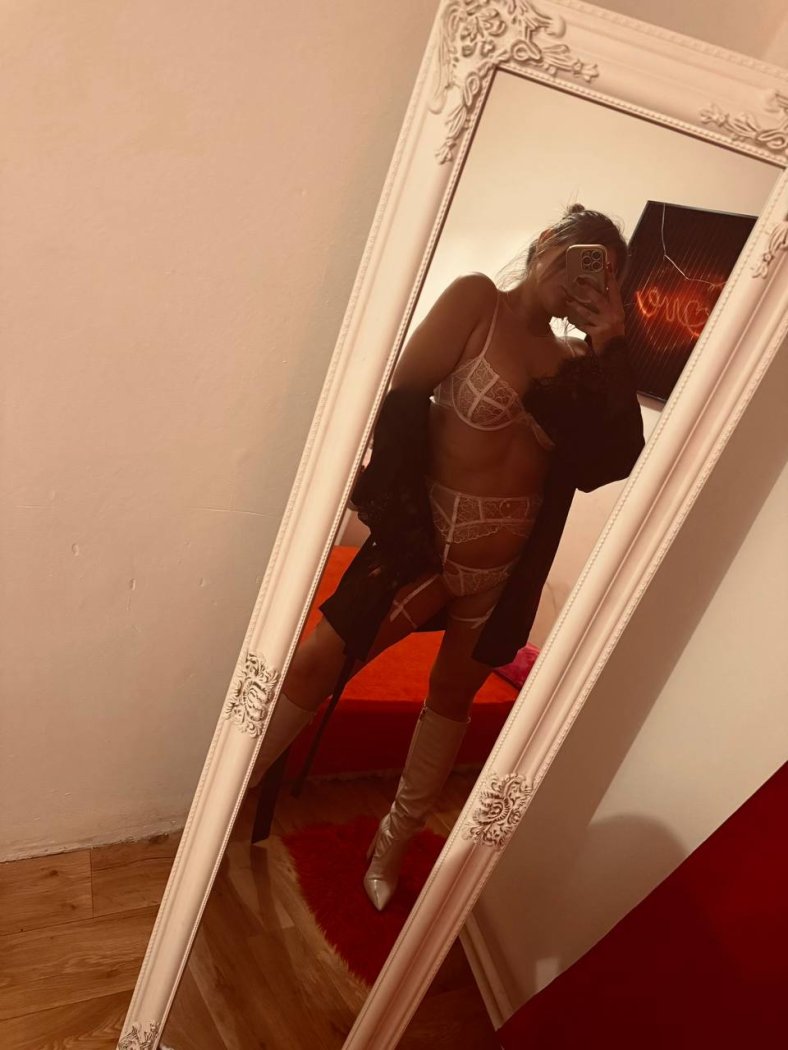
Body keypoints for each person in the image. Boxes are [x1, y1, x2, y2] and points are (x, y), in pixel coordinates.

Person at [248, 203, 645, 910]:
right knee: (313, 664)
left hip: (503, 569)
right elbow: (399, 401)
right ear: (548, 242)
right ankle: (221, 801)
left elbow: (613, 460)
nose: (584, 280)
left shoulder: (579, 365)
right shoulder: (477, 302)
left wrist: (613, 340)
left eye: (603, 275)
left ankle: (392, 844)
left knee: (450, 700)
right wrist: (397, 529)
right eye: (581, 257)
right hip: (423, 544)